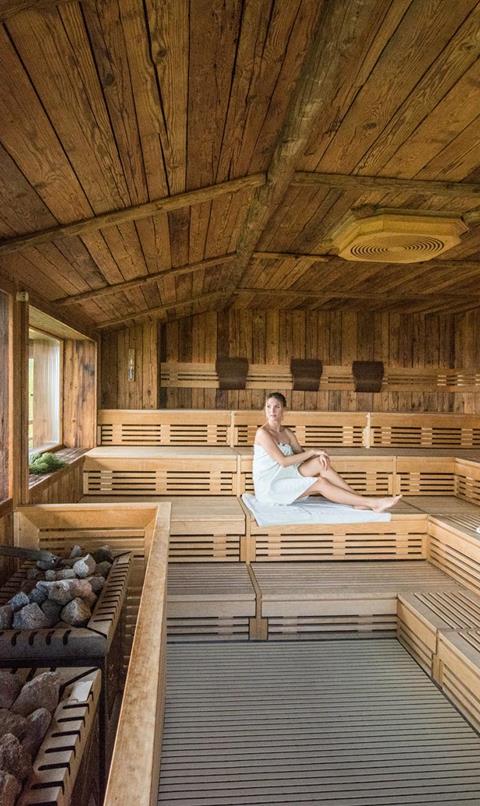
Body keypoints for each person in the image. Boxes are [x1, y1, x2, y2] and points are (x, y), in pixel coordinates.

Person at [252, 392, 401, 513]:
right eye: (268, 406)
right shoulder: (262, 433)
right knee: (320, 482)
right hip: (271, 486)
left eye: (277, 407)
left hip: (287, 474)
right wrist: (312, 451)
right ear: (264, 409)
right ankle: (372, 503)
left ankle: (358, 501)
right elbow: (283, 462)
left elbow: (302, 456)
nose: (272, 411)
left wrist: (319, 455)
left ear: (284, 410)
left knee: (320, 463)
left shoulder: (287, 432)